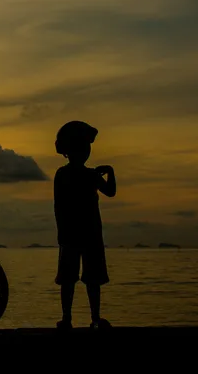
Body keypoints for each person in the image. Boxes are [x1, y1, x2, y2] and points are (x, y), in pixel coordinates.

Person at [53, 120, 116, 330]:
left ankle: (74, 319)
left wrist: (61, 231)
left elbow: (58, 206)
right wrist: (111, 172)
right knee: (85, 280)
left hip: (78, 234)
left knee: (80, 279)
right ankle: (86, 318)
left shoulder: (71, 175)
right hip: (85, 234)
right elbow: (111, 191)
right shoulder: (87, 175)